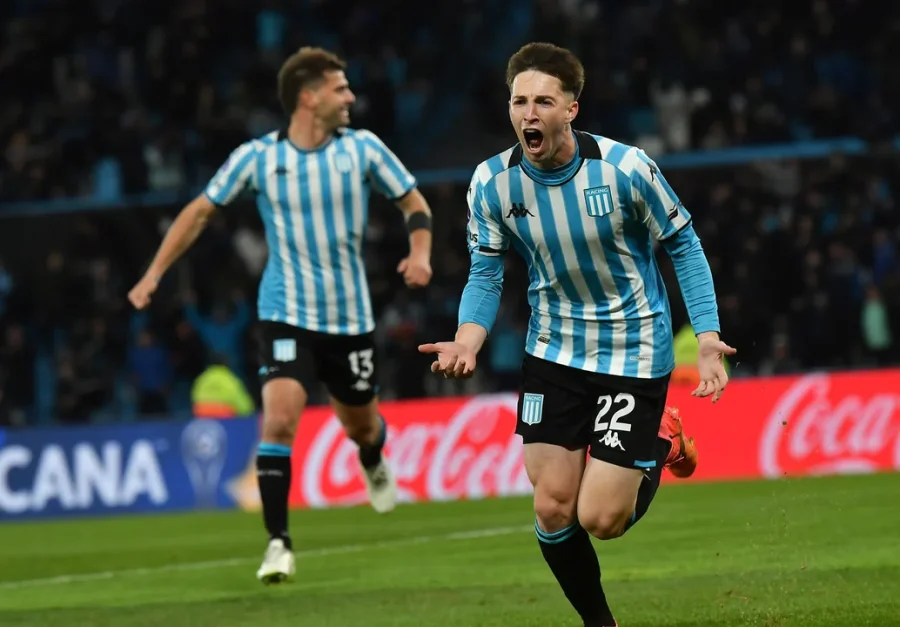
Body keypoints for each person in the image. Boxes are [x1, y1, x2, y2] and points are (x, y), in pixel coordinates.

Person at [419, 42, 735, 627]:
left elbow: (683, 245)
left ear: (572, 110)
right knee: (552, 506)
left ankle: (659, 443)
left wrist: (709, 336)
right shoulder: (491, 183)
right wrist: (467, 340)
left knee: (601, 520)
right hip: (553, 351)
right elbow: (486, 272)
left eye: (543, 101)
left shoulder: (626, 168)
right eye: (518, 101)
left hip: (632, 351)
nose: (528, 114)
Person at [128, 47, 434, 584]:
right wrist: (154, 273)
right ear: (309, 97)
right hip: (285, 312)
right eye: (340, 88)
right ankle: (278, 543)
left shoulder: (362, 149)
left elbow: (415, 204)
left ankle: (372, 458)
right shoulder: (257, 158)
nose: (351, 98)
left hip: (349, 318)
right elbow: (199, 211)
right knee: (281, 419)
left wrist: (421, 252)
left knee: (361, 424)